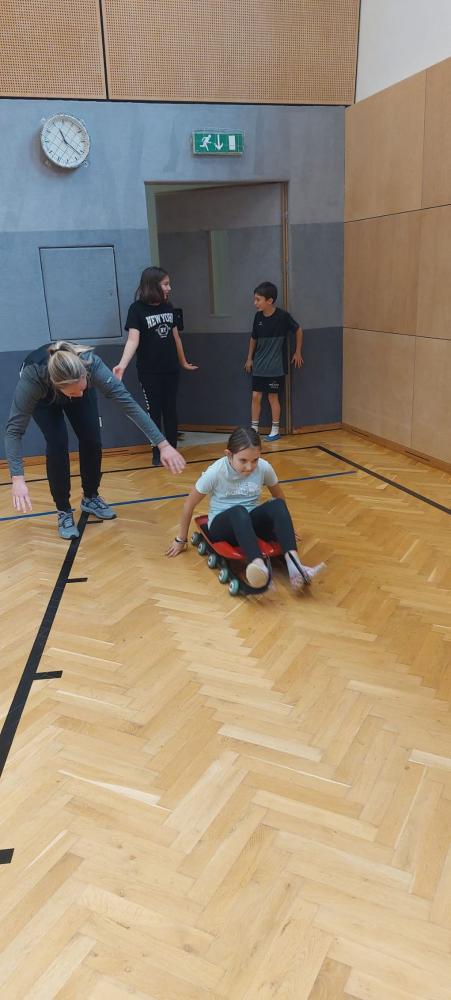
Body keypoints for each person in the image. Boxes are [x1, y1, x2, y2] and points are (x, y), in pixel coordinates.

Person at [5, 341, 185, 540]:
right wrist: (17, 478)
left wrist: (163, 444)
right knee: (57, 443)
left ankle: (90, 497)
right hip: (45, 399)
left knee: (92, 439)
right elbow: (14, 431)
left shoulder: (92, 365)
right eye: (74, 393)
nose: (79, 395)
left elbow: (128, 404)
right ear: (59, 386)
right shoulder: (33, 379)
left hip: (74, 382)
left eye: (82, 388)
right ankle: (63, 510)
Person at [166, 426, 325, 590]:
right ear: (229, 455)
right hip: (223, 527)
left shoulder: (264, 467)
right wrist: (181, 539)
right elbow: (189, 504)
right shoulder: (215, 472)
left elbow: (279, 496)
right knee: (239, 511)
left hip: (249, 523)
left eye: (255, 460)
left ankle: (294, 566)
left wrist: (285, 528)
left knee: (277, 504)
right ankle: (258, 565)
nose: (249, 467)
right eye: (243, 461)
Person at [113, 266, 197, 467]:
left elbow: (176, 338)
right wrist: (122, 365)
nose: (169, 288)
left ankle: (172, 450)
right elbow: (133, 340)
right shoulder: (137, 309)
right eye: (166, 284)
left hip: (171, 369)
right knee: (154, 411)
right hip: (149, 371)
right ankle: (157, 452)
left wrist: (183, 362)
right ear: (153, 285)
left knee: (170, 410)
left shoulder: (168, 307)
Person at [244, 281, 303, 442]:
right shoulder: (258, 317)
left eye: (258, 299)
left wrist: (297, 351)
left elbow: (298, 330)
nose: (255, 303)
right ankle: (254, 429)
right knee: (255, 396)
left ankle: (275, 430)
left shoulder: (283, 316)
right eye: (255, 299)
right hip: (259, 365)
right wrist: (249, 358)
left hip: (276, 367)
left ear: (269, 301)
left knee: (273, 397)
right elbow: (253, 338)